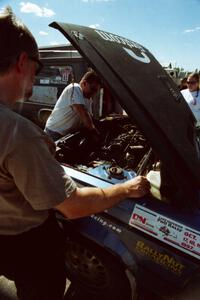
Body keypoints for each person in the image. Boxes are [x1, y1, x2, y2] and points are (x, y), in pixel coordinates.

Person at [0, 6, 150, 300]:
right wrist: (125, 188)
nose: (36, 75)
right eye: (38, 67)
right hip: (28, 247)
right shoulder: (19, 134)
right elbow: (72, 206)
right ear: (22, 62)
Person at [45, 70, 101, 141]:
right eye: (92, 89)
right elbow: (82, 112)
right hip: (54, 134)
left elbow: (89, 118)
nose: (93, 93)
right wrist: (94, 132)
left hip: (67, 136)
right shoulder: (74, 88)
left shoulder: (88, 99)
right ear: (84, 83)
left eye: (96, 91)